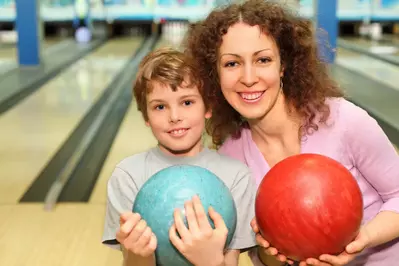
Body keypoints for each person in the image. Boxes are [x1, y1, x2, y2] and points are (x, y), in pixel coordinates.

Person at [183, 0, 399, 266]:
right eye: (231, 64)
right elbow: (259, 258)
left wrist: (362, 238)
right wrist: (271, 252)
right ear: (215, 74)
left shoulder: (344, 120)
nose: (248, 77)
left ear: (282, 65)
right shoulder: (229, 160)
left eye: (263, 60)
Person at [101, 47, 257, 266]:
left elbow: (229, 262)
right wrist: (139, 254)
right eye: (160, 107)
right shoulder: (128, 176)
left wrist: (210, 261)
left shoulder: (236, 177)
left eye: (187, 102)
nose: (174, 117)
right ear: (146, 116)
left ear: (208, 107)